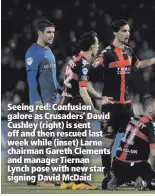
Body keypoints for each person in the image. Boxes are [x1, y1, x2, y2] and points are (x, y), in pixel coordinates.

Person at [94, 19, 155, 189]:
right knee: (107, 143)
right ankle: (110, 176)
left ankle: (133, 173)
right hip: (110, 105)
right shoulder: (107, 53)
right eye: (124, 30)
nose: (127, 34)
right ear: (115, 32)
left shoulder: (129, 51)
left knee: (136, 138)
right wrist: (92, 62)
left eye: (128, 30)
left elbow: (140, 64)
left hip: (126, 105)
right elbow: (97, 62)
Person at [59, 31, 113, 190]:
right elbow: (82, 91)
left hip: (65, 105)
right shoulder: (84, 64)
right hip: (74, 107)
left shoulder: (75, 60)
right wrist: (94, 112)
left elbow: (84, 84)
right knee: (78, 143)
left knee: (71, 143)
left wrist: (98, 96)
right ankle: (78, 181)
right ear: (91, 46)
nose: (98, 46)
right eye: (96, 44)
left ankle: (68, 180)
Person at [25, 20, 63, 187]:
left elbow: (52, 80)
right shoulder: (33, 52)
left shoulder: (49, 51)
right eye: (48, 32)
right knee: (41, 141)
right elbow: (31, 79)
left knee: (48, 142)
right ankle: (38, 177)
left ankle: (38, 176)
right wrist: (36, 100)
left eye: (53, 32)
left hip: (53, 104)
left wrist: (63, 91)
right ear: (40, 33)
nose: (52, 35)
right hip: (42, 104)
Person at [106, 96, 155, 191]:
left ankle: (116, 179)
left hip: (117, 164)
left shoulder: (132, 120)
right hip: (136, 167)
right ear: (149, 109)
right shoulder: (151, 126)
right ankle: (145, 183)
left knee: (123, 172)